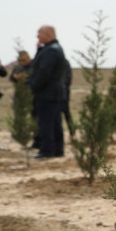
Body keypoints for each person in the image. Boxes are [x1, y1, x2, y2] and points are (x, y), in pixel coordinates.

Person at [26, 26, 69, 159]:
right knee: (55, 122)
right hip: (53, 93)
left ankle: (47, 150)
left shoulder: (51, 51)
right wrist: (38, 50)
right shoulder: (51, 49)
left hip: (47, 93)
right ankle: (57, 150)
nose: (37, 37)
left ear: (47, 34)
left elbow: (43, 72)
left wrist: (32, 88)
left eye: (39, 34)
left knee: (46, 123)